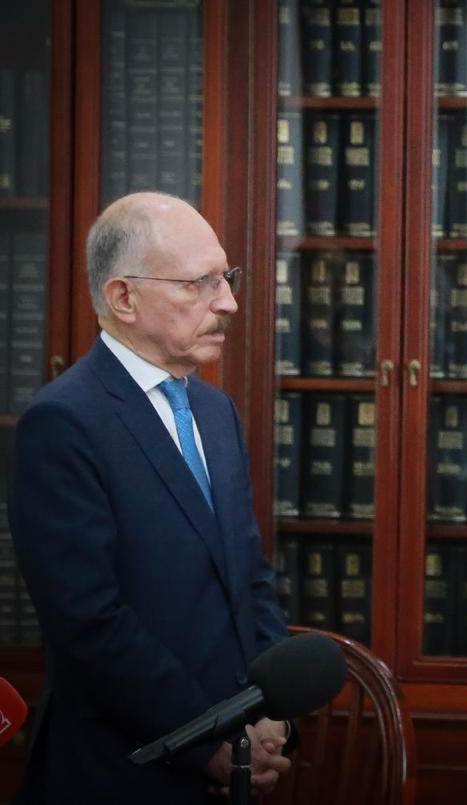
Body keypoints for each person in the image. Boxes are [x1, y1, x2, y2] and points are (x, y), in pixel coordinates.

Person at [9, 193, 294, 801]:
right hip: (124, 769)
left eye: (226, 277)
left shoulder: (215, 412)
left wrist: (272, 712)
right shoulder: (63, 423)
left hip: (235, 756)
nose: (228, 302)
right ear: (123, 299)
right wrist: (205, 740)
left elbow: (249, 577)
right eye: (199, 283)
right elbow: (90, 624)